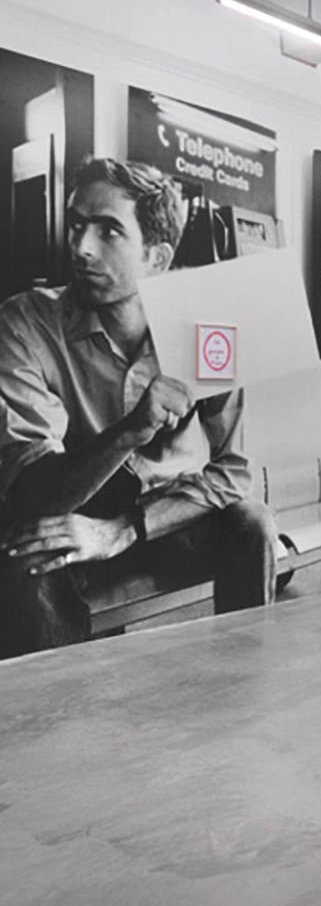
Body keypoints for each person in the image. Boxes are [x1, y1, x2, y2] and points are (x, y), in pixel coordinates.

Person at [0, 157, 277, 659]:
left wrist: (125, 529)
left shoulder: (206, 329)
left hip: (168, 511)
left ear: (157, 256)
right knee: (28, 554)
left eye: (109, 232)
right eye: (77, 226)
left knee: (251, 523)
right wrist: (131, 430)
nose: (81, 248)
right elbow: (33, 494)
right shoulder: (26, 324)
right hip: (75, 508)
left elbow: (234, 474)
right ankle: (58, 721)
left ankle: (242, 687)